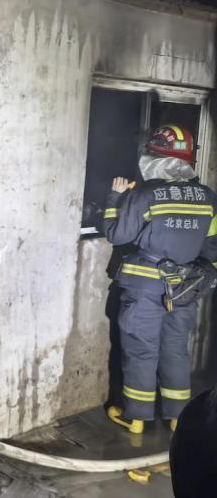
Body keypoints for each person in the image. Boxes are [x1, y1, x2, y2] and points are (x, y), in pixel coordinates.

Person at [103, 124, 217, 434]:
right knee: (175, 349)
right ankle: (178, 416)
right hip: (185, 289)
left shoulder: (145, 194)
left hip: (145, 288)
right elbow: (212, 248)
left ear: (153, 159)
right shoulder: (208, 197)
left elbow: (116, 234)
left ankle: (136, 418)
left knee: (141, 349)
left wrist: (114, 199)